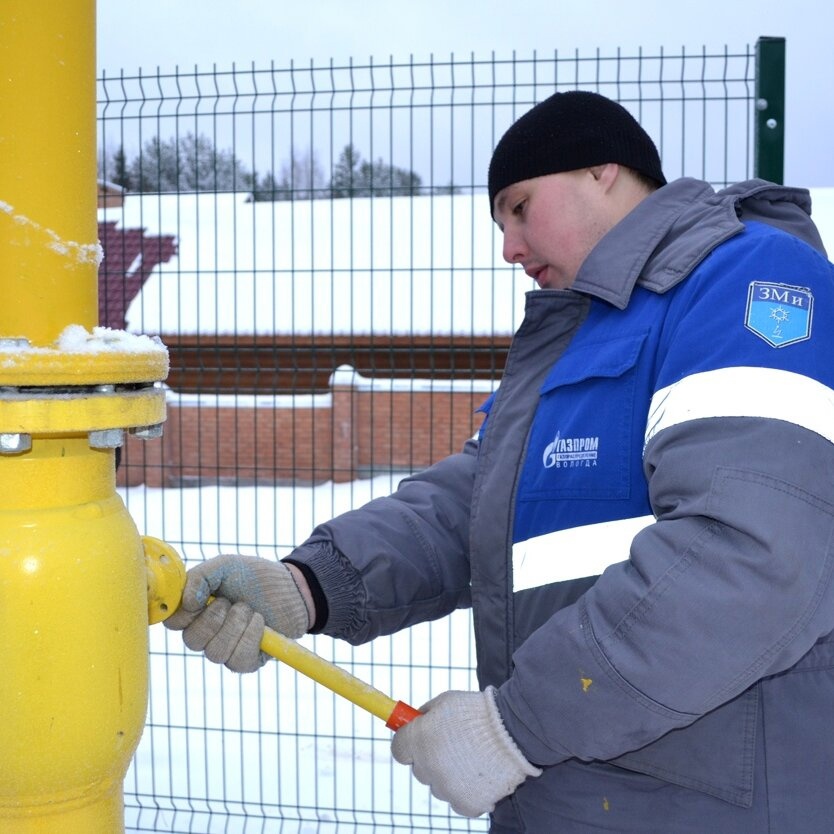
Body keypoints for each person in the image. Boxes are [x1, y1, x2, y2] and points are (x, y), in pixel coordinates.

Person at [166, 90, 834, 832]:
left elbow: (749, 557)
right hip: (576, 796)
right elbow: (476, 500)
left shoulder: (745, 281)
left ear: (603, 170)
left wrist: (515, 726)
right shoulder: (579, 336)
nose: (509, 247)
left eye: (519, 208)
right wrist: (309, 584)